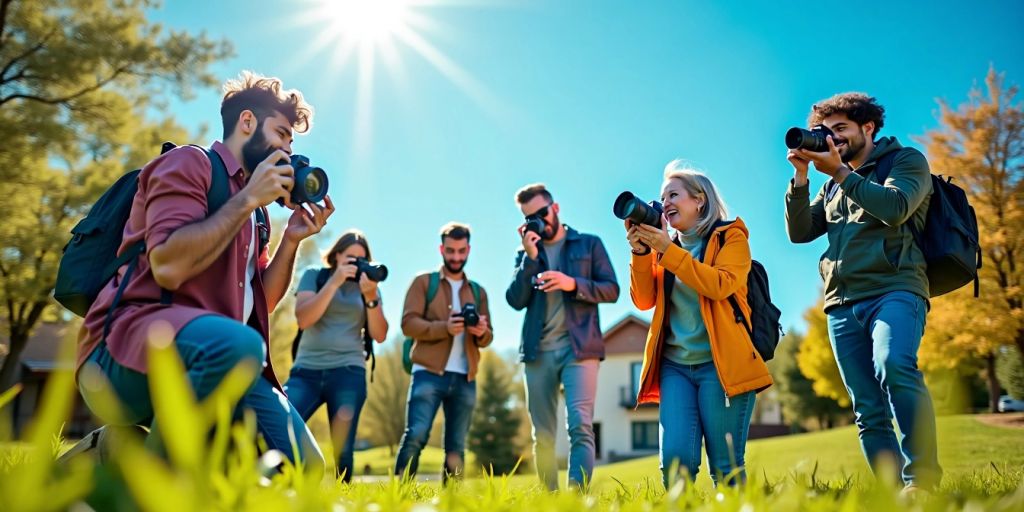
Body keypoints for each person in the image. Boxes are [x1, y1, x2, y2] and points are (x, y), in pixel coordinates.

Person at [75, 71, 330, 471]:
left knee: (310, 473)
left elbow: (259, 302)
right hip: (120, 353)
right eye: (281, 134)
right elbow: (168, 266)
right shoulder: (189, 163)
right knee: (238, 345)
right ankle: (156, 487)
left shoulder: (256, 214)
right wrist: (247, 199)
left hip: (218, 358)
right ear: (247, 122)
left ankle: (115, 453)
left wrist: (292, 239)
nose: (286, 151)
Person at [785, 92, 941, 491]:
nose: (832, 139)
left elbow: (896, 207)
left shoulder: (904, 161)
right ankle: (893, 494)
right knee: (867, 408)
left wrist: (839, 172)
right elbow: (800, 232)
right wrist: (802, 178)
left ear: (867, 128)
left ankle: (922, 482)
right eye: (826, 132)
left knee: (894, 365)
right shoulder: (833, 186)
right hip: (841, 303)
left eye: (841, 129)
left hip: (896, 288)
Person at [627, 162, 772, 487]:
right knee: (676, 462)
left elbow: (720, 285)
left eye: (674, 195)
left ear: (699, 200)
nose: (665, 203)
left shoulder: (731, 238)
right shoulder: (665, 248)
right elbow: (643, 300)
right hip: (675, 367)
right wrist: (640, 252)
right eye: (662, 197)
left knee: (725, 466)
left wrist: (667, 250)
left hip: (721, 367)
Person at [505, 183, 619, 491]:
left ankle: (576, 498)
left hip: (579, 350)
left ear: (555, 208)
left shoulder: (589, 244)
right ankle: (549, 499)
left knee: (580, 426)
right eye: (530, 218)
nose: (539, 221)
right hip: (537, 351)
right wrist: (529, 258)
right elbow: (515, 301)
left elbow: (612, 289)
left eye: (542, 213)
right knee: (541, 433)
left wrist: (572, 283)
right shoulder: (525, 253)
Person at [395, 222, 494, 482]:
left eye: (462, 251)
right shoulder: (423, 283)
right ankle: (399, 493)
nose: (456, 257)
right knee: (415, 435)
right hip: (428, 373)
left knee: (456, 447)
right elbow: (408, 324)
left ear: (469, 250)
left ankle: (452, 503)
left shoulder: (477, 291)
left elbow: (488, 337)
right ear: (441, 249)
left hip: (465, 377)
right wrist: (445, 327)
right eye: (450, 251)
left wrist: (480, 332)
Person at [286, 230, 388, 482]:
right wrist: (334, 282)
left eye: (361, 259)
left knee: (343, 447)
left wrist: (371, 298)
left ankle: (344, 499)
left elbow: (380, 335)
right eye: (351, 258)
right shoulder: (315, 276)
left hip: (348, 372)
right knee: (283, 422)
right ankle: (278, 482)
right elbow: (304, 318)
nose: (356, 263)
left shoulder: (369, 290)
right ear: (337, 256)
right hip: (306, 371)